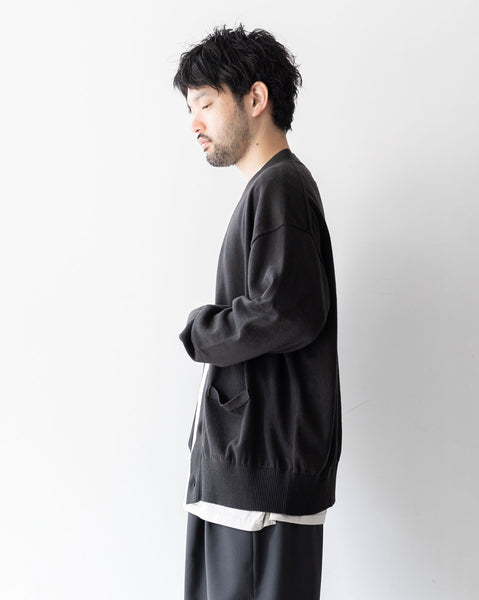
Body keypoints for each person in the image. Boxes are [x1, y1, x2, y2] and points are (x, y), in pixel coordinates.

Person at [173, 24, 342, 600]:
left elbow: (287, 312)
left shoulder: (281, 188)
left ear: (255, 98)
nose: (194, 123)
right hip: (247, 474)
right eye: (190, 109)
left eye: (205, 103)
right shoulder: (272, 189)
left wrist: (201, 330)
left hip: (258, 476)